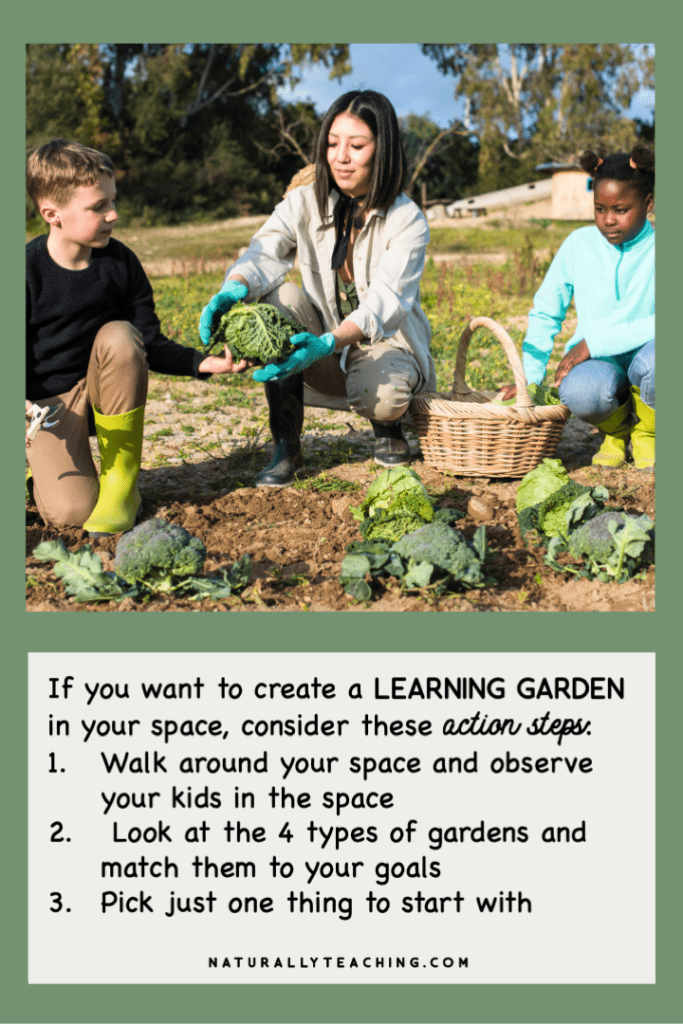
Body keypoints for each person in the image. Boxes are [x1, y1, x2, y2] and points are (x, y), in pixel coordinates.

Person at [198, 90, 436, 487]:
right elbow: (264, 250)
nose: (341, 156)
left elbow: (384, 304)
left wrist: (328, 343)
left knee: (385, 398)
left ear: (383, 150)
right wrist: (234, 287)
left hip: (384, 347)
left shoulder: (407, 220)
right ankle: (286, 445)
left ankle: (386, 426)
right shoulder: (303, 201)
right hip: (322, 352)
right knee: (280, 298)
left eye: (356, 145)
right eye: (332, 143)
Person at [26, 139, 239, 535]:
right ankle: (43, 478)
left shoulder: (121, 263)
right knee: (73, 513)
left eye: (113, 201)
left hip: (107, 391)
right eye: (98, 207)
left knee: (122, 336)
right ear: (52, 214)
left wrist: (202, 363)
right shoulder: (26, 271)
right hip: (48, 406)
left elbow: (149, 341)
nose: (113, 214)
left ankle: (122, 482)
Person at [500, 145, 655, 471]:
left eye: (621, 209)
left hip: (648, 355)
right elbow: (546, 311)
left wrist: (594, 343)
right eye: (600, 209)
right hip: (602, 364)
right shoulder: (578, 245)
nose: (608, 220)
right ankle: (616, 431)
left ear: (649, 203)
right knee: (580, 391)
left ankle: (648, 432)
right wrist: (529, 379)